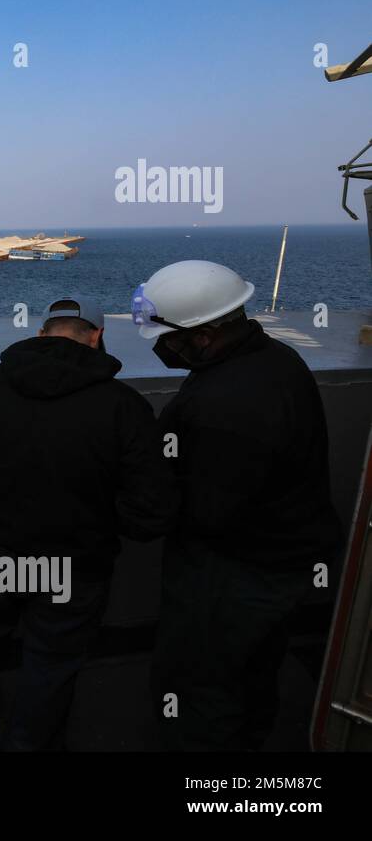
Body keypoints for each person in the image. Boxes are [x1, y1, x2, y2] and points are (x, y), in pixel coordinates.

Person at [0, 296, 177, 750]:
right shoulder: (122, 405)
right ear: (97, 336)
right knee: (52, 657)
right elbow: (148, 503)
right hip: (76, 558)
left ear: (41, 335)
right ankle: (27, 742)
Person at [133, 260, 341, 750]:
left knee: (202, 685)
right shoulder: (276, 358)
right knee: (253, 672)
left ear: (202, 336)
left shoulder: (222, 405)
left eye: (166, 338)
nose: (161, 348)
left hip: (234, 573)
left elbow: (207, 511)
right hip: (284, 559)